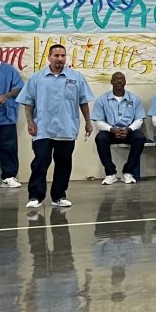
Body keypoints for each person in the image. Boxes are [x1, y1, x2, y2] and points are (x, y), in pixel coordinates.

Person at [17, 43, 94, 209]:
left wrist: (88, 122)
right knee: (40, 161)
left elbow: (83, 102)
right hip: (42, 128)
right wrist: (30, 122)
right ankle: (35, 196)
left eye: (63, 56)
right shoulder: (37, 78)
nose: (60, 59)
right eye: (56, 56)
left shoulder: (76, 77)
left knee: (64, 162)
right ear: (49, 57)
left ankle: (59, 196)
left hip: (67, 128)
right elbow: (28, 103)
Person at [91, 71, 146, 185]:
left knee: (140, 138)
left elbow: (139, 119)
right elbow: (98, 121)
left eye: (121, 78)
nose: (119, 81)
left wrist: (129, 129)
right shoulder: (102, 99)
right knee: (100, 138)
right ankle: (110, 174)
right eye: (116, 78)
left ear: (125, 82)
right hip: (111, 131)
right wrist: (112, 129)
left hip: (128, 131)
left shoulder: (134, 99)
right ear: (111, 82)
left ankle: (128, 172)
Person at [0, 43, 25, 189]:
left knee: (8, 146)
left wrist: (6, 96)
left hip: (6, 115)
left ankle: (9, 176)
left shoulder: (8, 70)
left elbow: (19, 87)